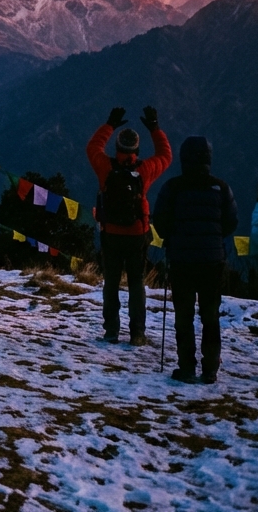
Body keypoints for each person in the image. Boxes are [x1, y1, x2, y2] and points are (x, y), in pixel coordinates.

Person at [153, 137, 238, 384]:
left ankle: (187, 367)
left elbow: (159, 220)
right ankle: (210, 368)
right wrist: (213, 237)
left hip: (181, 260)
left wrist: (173, 237)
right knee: (210, 315)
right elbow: (231, 222)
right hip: (212, 261)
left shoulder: (173, 187)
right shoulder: (220, 188)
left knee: (184, 315)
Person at [86, 106, 172, 345]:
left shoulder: (105, 168)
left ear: (117, 148)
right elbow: (166, 155)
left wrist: (109, 124)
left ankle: (111, 330)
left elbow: (92, 148)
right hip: (137, 234)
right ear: (136, 149)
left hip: (110, 233)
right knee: (136, 285)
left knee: (111, 283)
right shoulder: (144, 171)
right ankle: (137, 334)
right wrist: (155, 128)